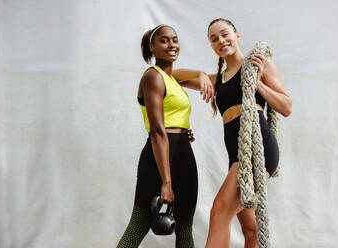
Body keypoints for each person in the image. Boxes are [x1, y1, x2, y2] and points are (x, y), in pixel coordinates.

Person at [174, 18, 292, 248]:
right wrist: (199, 74)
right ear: (211, 45)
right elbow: (171, 76)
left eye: (225, 34)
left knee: (219, 213)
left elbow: (286, 107)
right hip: (236, 157)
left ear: (236, 35)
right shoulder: (216, 80)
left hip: (257, 151)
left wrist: (257, 84)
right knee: (250, 231)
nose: (221, 40)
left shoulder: (259, 64)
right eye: (214, 38)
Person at [116, 24, 212, 248]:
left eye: (175, 40)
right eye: (164, 40)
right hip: (157, 157)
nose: (172, 45)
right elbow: (158, 131)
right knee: (138, 225)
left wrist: (202, 74)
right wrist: (166, 182)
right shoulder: (152, 77)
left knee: (185, 227)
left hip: (184, 155)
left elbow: (212, 81)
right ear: (152, 46)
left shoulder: (173, 79)